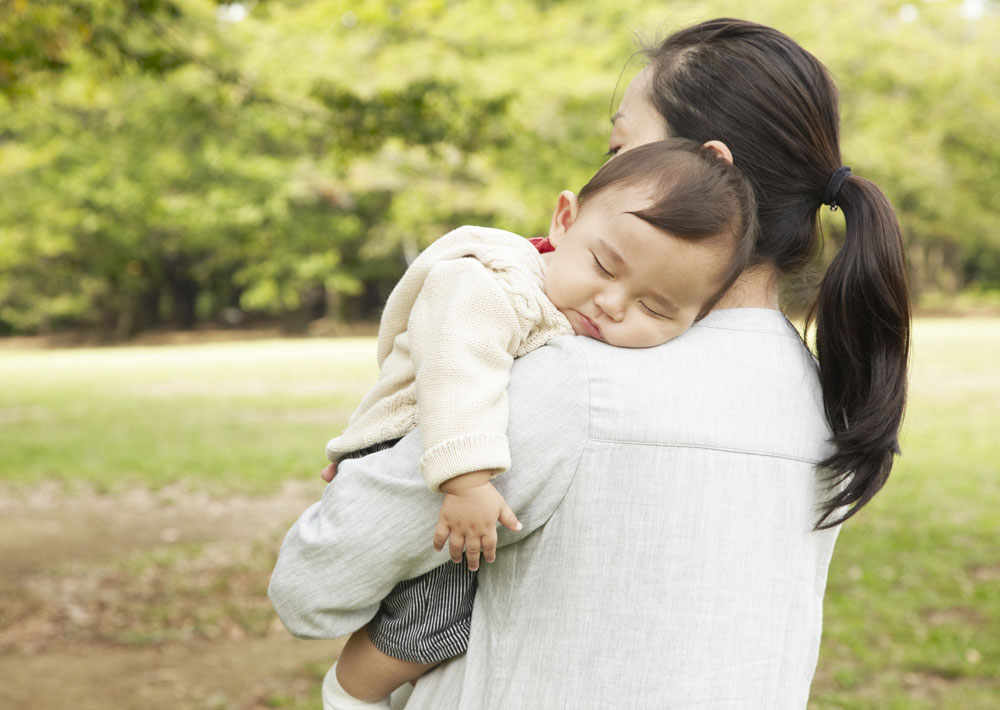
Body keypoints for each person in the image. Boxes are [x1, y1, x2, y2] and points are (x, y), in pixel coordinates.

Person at [269, 18, 911, 709]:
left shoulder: (571, 385)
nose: (604, 166)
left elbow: (311, 588)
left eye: (618, 145)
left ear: (709, 165)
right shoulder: (826, 400)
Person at [316, 137, 757, 709]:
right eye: (603, 266)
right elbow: (456, 367)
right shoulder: (492, 282)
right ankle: (352, 692)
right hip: (431, 451)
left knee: (445, 615)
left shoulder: (580, 316)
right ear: (564, 219)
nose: (612, 305)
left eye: (656, 308)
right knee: (435, 619)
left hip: (449, 454)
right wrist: (467, 480)